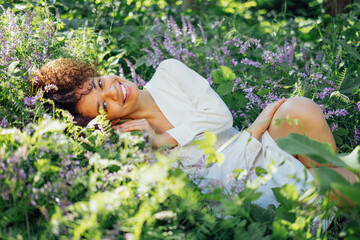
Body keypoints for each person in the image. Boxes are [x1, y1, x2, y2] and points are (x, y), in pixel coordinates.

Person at [33, 58, 356, 207]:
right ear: (105, 122)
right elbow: (207, 186)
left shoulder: (168, 74)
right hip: (244, 188)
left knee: (298, 109)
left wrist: (167, 139)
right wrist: (153, 146)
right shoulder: (133, 140)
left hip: (251, 147)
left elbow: (219, 117)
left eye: (99, 84)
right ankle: (340, 196)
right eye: (103, 106)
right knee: (332, 183)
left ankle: (340, 192)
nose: (114, 92)